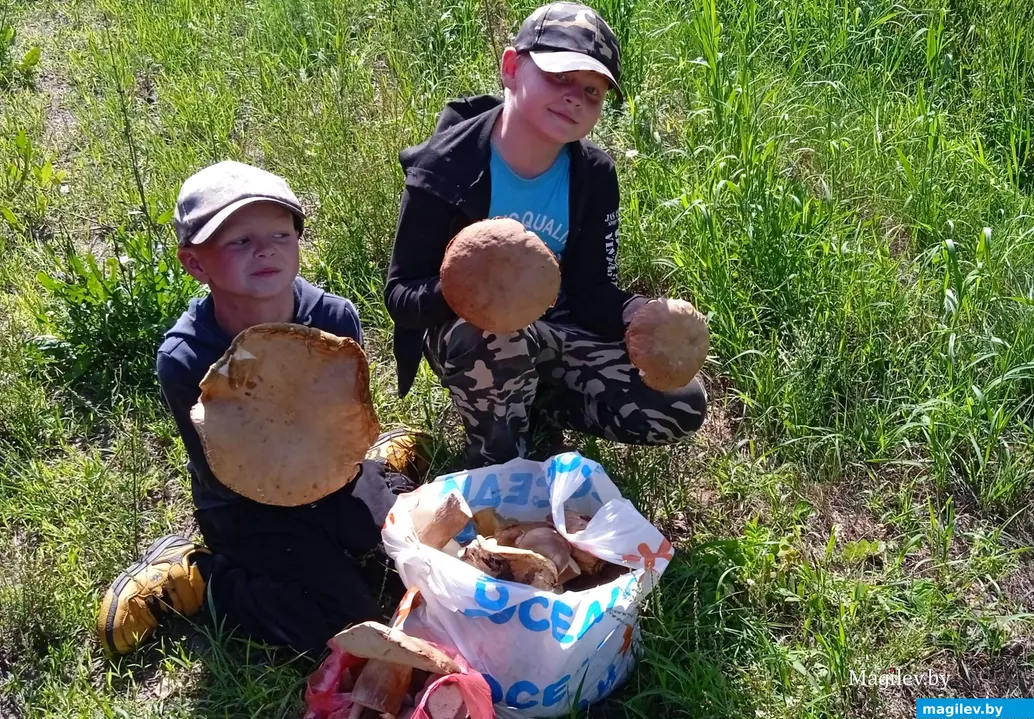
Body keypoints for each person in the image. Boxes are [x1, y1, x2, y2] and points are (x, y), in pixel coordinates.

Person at [97, 161, 429, 656]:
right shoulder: (186, 357)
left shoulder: (334, 318)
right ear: (196, 264)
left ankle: (380, 466)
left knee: (419, 564)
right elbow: (222, 474)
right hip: (249, 507)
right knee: (343, 626)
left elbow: (346, 412)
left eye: (280, 234)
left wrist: (345, 463)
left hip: (335, 477)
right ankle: (200, 579)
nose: (266, 249)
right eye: (240, 241)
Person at [384, 2, 707, 469]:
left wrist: (637, 312)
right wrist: (468, 288)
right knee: (493, 335)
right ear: (511, 68)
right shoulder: (446, 168)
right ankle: (499, 463)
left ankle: (535, 406)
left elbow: (591, 290)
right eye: (559, 76)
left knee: (680, 405)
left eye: (592, 91)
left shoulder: (592, 174)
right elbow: (401, 295)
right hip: (470, 336)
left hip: (555, 328)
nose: (574, 97)